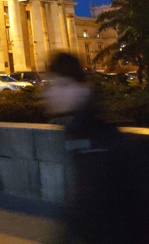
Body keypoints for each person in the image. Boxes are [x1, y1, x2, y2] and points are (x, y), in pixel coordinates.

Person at [45, 51, 149, 243]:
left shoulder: (98, 135)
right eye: (51, 85)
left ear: (83, 89)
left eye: (63, 85)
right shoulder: (75, 131)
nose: (53, 93)